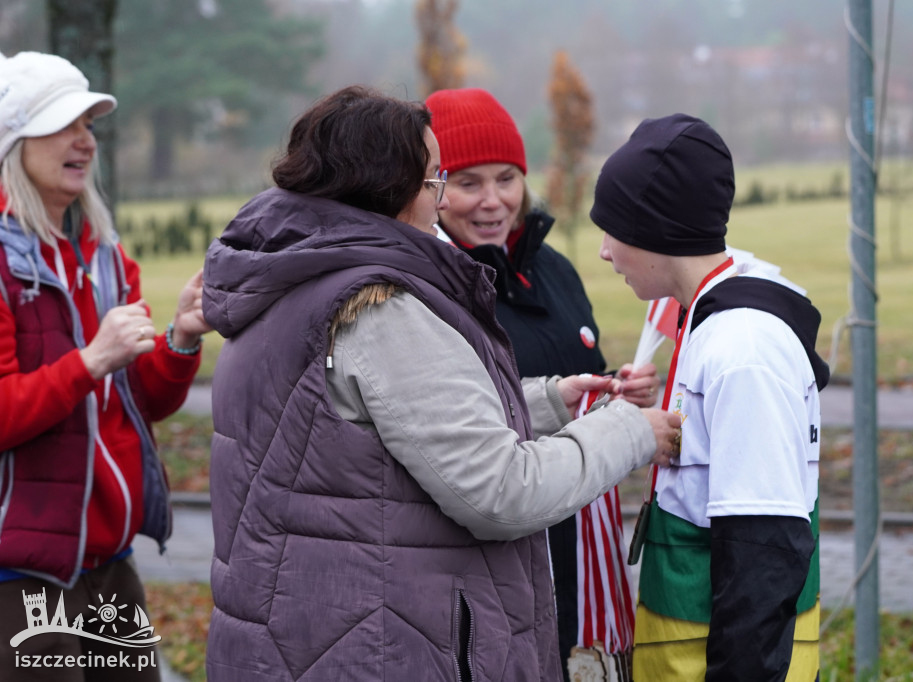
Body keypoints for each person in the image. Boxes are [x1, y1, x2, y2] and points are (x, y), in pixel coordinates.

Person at [201, 85, 681, 682]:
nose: (443, 197)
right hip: (382, 647)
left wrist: (550, 402)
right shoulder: (378, 307)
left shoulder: (295, 277)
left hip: (307, 633)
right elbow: (502, 492)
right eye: (437, 180)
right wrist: (630, 429)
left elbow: (376, 438)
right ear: (389, 188)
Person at [425, 87, 659, 678]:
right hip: (490, 552)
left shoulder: (551, 269)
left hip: (575, 542)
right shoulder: (426, 287)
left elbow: (584, 375)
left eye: (506, 178)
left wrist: (617, 389)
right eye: (468, 182)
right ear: (430, 187)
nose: (492, 201)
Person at [590, 113, 830, 681]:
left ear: (657, 231)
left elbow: (763, 557)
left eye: (613, 228)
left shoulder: (743, 350)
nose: (604, 251)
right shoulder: (706, 325)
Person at [0, 51, 211, 681]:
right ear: (14, 141)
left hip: (110, 559)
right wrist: (89, 362)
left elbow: (140, 401)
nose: (84, 142)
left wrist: (179, 339)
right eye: (64, 126)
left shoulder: (105, 254)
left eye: (89, 125)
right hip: (22, 570)